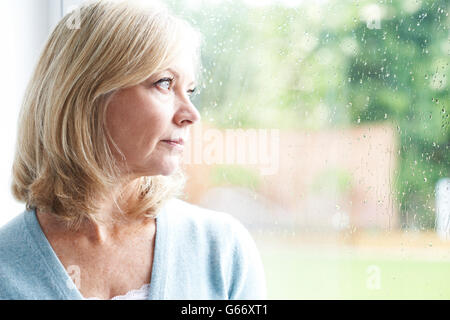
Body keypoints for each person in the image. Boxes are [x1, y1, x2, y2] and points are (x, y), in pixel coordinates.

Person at [0, 0, 266, 300]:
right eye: (165, 83)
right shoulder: (5, 268)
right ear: (86, 95)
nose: (191, 114)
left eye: (189, 91)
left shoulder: (222, 251)